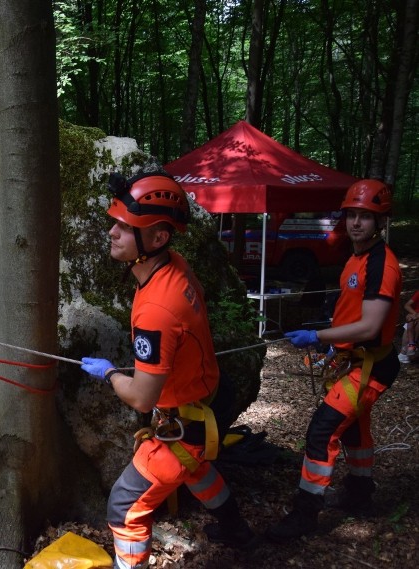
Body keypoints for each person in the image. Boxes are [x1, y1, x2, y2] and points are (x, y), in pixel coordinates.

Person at [80, 171, 255, 569]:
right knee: (197, 470)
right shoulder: (173, 266)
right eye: (116, 222)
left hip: (186, 420)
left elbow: (143, 397)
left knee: (124, 506)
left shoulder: (157, 306)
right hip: (205, 398)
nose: (112, 232)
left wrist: (110, 374)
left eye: (126, 227)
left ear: (157, 239)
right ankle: (235, 529)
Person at [268, 179, 402, 541]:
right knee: (354, 429)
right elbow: (352, 313)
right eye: (352, 215)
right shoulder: (355, 258)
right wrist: (332, 341)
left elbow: (372, 324)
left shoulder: (381, 265)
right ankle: (360, 494)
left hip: (371, 364)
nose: (357, 223)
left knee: (322, 431)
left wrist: (318, 336)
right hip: (353, 358)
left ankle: (305, 513)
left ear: (381, 221)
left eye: (366, 217)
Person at [398, 289, 418, 363]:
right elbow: (407, 305)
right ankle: (410, 346)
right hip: (415, 315)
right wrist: (415, 314)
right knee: (410, 321)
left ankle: (407, 349)